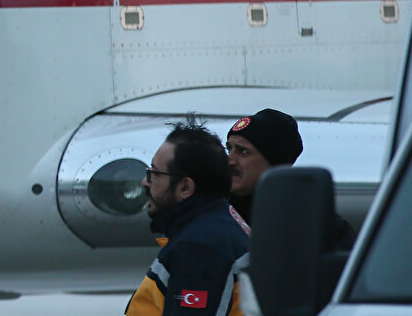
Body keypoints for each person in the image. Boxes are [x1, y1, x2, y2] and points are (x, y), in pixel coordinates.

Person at [127, 116, 249, 316]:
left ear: (185, 187)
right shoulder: (217, 224)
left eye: (155, 173)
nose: (145, 182)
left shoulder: (200, 247)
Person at [225, 108, 354, 247]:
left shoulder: (319, 227)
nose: (229, 160)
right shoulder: (217, 211)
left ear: (275, 164)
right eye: (229, 149)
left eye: (243, 151)